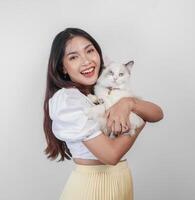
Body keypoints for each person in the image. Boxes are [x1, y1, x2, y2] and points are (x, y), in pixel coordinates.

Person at [43, 27, 164, 200]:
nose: (86, 61)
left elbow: (158, 113)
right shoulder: (68, 100)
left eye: (90, 51)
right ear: (63, 67)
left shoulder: (102, 84)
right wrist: (140, 121)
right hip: (91, 188)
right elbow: (111, 155)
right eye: (73, 57)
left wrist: (128, 102)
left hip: (119, 183)